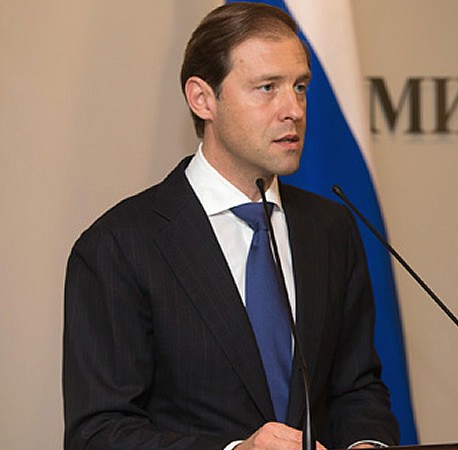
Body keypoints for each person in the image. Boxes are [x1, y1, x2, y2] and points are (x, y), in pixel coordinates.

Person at [62, 3, 400, 449]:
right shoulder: (119, 246)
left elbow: (356, 389)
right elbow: (98, 433)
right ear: (203, 99)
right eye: (267, 88)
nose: (294, 110)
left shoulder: (331, 228)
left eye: (300, 87)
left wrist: (365, 444)